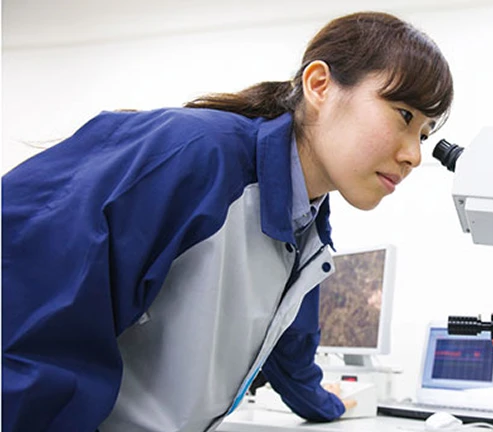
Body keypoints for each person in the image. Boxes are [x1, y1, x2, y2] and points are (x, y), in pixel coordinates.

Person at [2, 10, 453, 432]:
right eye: (404, 116)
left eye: (424, 133)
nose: (414, 155)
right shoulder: (195, 157)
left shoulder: (306, 231)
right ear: (319, 85)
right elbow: (31, 308)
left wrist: (334, 407)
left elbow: (290, 356)